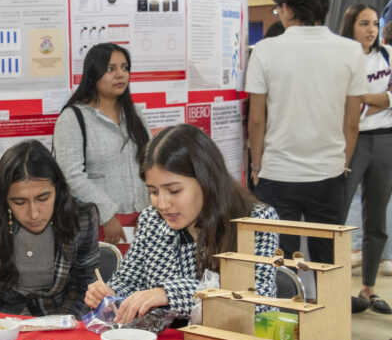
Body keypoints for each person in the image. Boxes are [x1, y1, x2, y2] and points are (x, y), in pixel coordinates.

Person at [85, 124, 278, 324]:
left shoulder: (255, 222)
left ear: (206, 180)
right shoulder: (152, 220)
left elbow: (258, 299)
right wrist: (109, 294)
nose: (162, 204)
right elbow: (129, 281)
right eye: (153, 192)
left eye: (174, 191)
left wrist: (170, 293)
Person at [246, 0, 367, 265]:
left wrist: (257, 165)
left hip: (277, 173)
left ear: (286, 7)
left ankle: (282, 313)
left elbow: (257, 119)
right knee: (328, 261)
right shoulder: (351, 51)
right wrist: (343, 166)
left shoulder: (265, 50)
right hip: (329, 173)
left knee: (279, 261)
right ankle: (331, 313)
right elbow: (352, 121)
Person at [0, 139, 99, 317]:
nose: (33, 214)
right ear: (4, 199)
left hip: (56, 318)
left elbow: (83, 285)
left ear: (58, 190)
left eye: (43, 199)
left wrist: (61, 324)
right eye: (19, 202)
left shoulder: (81, 217)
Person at [53, 43, 149, 248]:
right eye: (110, 69)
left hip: (142, 220)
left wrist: (151, 212)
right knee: (105, 279)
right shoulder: (73, 118)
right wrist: (106, 214)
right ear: (93, 73)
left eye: (125, 68)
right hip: (100, 222)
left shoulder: (135, 114)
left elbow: (150, 164)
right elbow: (71, 176)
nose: (120, 75)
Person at [338, 4, 392, 313]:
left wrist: (370, 100)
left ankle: (369, 289)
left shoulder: (386, 55)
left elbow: (359, 99)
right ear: (351, 26)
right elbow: (345, 100)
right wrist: (380, 100)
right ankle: (331, 293)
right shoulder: (343, 57)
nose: (371, 29)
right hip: (350, 141)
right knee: (338, 215)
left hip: (384, 140)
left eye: (374, 23)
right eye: (363, 23)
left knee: (377, 219)